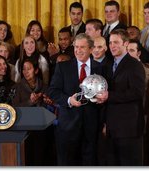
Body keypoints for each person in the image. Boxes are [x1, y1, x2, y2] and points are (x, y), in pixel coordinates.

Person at [48, 33, 103, 165]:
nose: (78, 51)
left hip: (91, 126)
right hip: (68, 126)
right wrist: (69, 100)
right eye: (76, 47)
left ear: (90, 49)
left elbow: (106, 94)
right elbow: (53, 91)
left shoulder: (101, 68)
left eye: (82, 47)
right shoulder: (63, 67)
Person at [101, 29, 145, 165]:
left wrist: (110, 95)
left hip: (128, 127)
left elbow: (137, 92)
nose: (112, 46)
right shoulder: (108, 65)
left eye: (116, 42)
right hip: (112, 127)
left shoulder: (134, 65)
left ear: (126, 43)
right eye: (110, 43)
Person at [12, 58, 55, 165]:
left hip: (43, 129)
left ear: (36, 70)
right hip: (25, 129)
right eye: (24, 69)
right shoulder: (17, 87)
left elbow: (51, 109)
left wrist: (47, 102)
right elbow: (14, 108)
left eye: (29, 69)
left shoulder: (45, 87)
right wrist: (30, 102)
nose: (26, 72)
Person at [127, 39, 149, 165]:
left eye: (131, 51)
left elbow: (147, 101)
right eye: (126, 50)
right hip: (123, 119)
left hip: (139, 118)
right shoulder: (119, 67)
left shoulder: (147, 72)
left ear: (139, 53)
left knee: (139, 153)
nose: (128, 53)